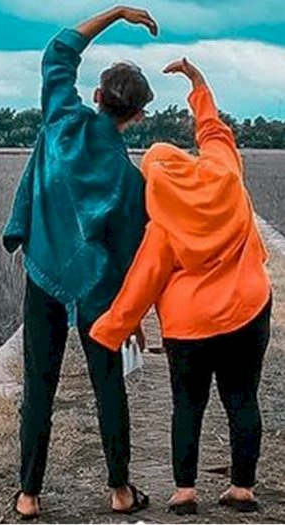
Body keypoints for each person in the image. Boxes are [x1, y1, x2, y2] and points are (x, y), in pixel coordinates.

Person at [91, 58, 271, 515]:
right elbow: (213, 133)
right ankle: (242, 489)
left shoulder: (163, 226)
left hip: (190, 327)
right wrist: (198, 84)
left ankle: (185, 491)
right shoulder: (224, 174)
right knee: (242, 398)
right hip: (248, 310)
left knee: (187, 404)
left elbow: (140, 287)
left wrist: (108, 332)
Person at [2, 5, 158, 518]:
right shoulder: (129, 180)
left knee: (38, 386)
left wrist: (117, 12)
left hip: (44, 276)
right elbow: (133, 255)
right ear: (135, 117)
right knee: (108, 384)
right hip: (98, 292)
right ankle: (119, 490)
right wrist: (131, 315)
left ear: (96, 97)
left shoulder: (63, 123)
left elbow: (59, 53)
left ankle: (27, 495)